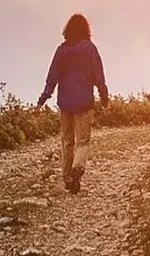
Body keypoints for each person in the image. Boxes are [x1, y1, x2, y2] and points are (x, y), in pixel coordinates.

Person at [37, 12, 109, 193]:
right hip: (84, 102)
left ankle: (68, 177)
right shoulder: (90, 49)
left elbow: (52, 77)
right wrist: (104, 95)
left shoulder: (62, 50)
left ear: (67, 30)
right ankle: (78, 167)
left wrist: (43, 99)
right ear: (86, 30)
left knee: (67, 141)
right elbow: (98, 74)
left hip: (66, 103)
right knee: (82, 141)